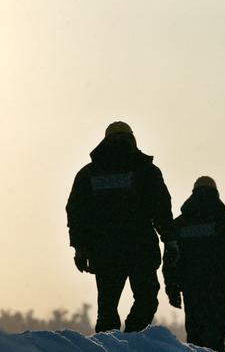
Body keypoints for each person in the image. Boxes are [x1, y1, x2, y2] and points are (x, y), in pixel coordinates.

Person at [66, 121, 179, 333]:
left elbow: (76, 213)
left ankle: (110, 346)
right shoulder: (147, 171)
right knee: (146, 299)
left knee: (107, 308)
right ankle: (133, 339)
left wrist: (80, 248)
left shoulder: (88, 174)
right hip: (140, 247)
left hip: (104, 250)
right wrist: (170, 240)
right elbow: (161, 209)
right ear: (132, 139)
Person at [163, 176, 225, 352]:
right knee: (216, 338)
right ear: (216, 193)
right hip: (220, 289)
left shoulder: (180, 224)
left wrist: (172, 288)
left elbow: (170, 259)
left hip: (192, 288)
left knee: (194, 339)